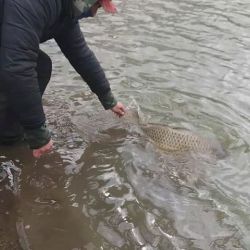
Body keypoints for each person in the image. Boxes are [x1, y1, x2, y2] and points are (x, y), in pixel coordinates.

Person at [0, 0, 126, 158]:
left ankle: (11, 131)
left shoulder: (66, 11)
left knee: (41, 65)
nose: (93, 14)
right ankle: (8, 138)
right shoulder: (34, 5)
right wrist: (37, 133)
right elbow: (17, 67)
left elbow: (80, 55)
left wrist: (108, 99)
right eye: (97, 6)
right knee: (29, 68)